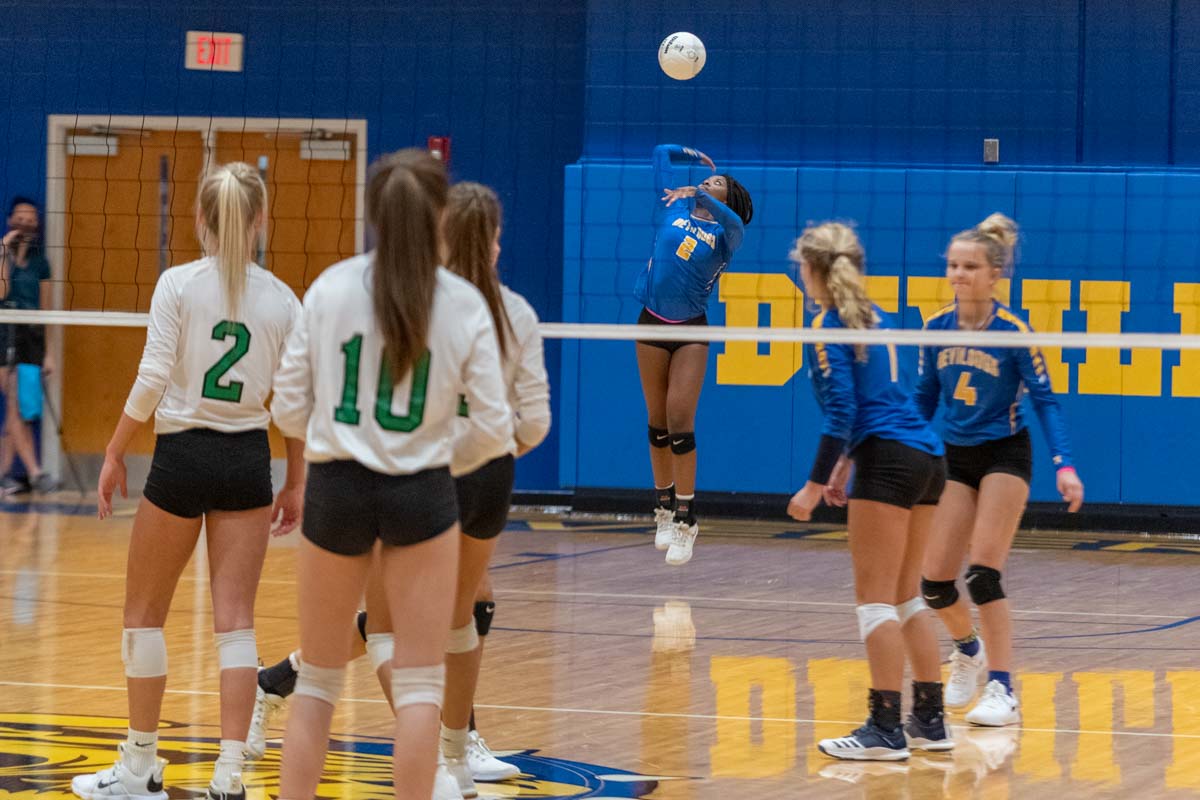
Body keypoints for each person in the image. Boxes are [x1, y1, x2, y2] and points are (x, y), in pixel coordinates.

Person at [248, 182, 550, 797]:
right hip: (434, 478)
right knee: (419, 656)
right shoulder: (459, 304)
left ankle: (452, 746)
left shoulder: (339, 287)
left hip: (360, 477)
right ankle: (448, 756)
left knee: (351, 665)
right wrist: (453, 456)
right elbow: (510, 425)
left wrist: (337, 443)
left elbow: (289, 405)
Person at [70, 163, 305, 800]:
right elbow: (293, 406)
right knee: (236, 623)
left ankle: (140, 766)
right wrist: (296, 480)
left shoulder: (177, 284)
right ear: (260, 222)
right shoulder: (284, 301)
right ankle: (229, 775)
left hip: (181, 457)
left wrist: (114, 451)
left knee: (144, 615)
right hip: (247, 460)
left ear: (200, 219)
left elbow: (152, 379)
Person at [786, 222, 952, 761]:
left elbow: (843, 410)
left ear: (811, 270)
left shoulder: (828, 326)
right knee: (907, 597)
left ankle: (884, 729)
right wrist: (845, 466)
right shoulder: (876, 319)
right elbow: (884, 401)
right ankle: (930, 722)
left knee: (875, 601)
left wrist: (813, 485)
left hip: (889, 461)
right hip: (927, 459)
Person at [915, 213, 1084, 727]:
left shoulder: (1013, 332)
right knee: (934, 584)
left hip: (1005, 454)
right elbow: (923, 399)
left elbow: (1046, 401)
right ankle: (968, 649)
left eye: (970, 266)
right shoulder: (935, 328)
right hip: (955, 455)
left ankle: (1003, 690)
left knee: (983, 575)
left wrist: (1064, 465)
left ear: (995, 274)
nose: (958, 274)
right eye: (953, 265)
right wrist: (899, 450)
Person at [634, 144, 753, 566]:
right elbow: (658, 156)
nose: (706, 182)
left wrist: (699, 193)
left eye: (716, 182)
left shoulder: (725, 236)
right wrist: (689, 154)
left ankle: (687, 519)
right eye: (707, 179)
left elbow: (737, 222)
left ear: (726, 198)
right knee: (657, 424)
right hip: (650, 323)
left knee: (680, 421)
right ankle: (663, 510)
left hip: (690, 331)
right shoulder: (673, 207)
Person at [0, 196, 57, 494]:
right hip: (5, 335)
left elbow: (47, 309)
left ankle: (3, 474)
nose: (25, 225)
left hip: (31, 339)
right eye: (20, 220)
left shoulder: (41, 263)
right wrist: (4, 252)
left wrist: (49, 353)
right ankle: (35, 472)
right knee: (14, 404)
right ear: (10, 221)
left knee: (20, 408)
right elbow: (1, 292)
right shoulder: (2, 254)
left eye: (31, 221)